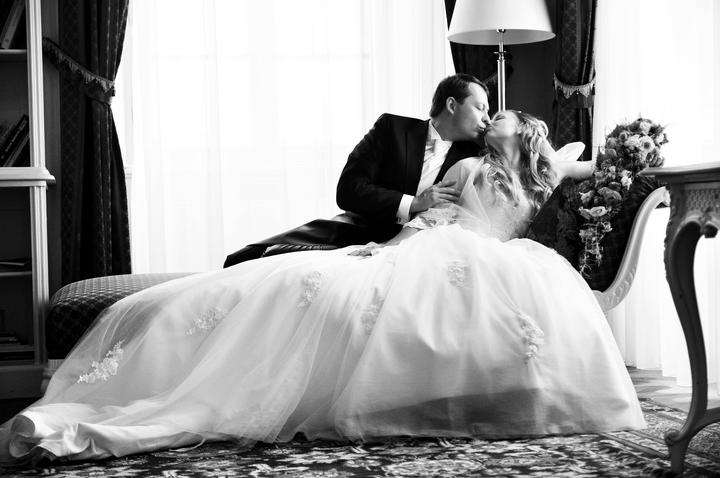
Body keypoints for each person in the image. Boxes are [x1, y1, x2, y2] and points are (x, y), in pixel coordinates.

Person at [0, 110, 644, 465]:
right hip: (435, 249)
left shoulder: (531, 175)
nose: (489, 116)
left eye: (499, 114)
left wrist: (629, 152)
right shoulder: (473, 165)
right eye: (483, 109)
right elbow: (427, 219)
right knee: (311, 284)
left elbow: (579, 160)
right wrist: (386, 248)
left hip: (486, 260)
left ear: (521, 134)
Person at [223, 73, 490, 267]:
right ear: (452, 105)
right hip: (352, 234)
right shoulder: (392, 129)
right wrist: (414, 203)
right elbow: (349, 190)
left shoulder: (474, 159)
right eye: (480, 108)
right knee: (250, 260)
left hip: (415, 253)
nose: (487, 119)